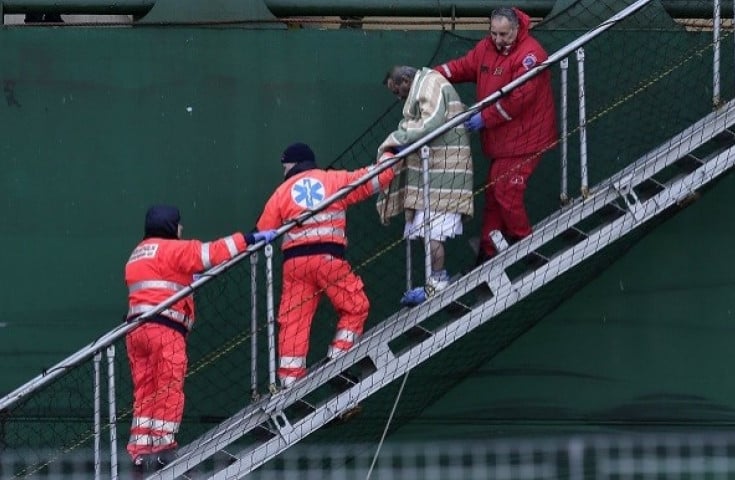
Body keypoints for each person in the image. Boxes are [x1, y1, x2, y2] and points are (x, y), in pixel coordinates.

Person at [124, 204, 276, 476]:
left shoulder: (138, 254)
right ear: (170, 226)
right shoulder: (175, 249)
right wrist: (250, 238)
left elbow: (163, 278)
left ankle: (140, 454)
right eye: (179, 224)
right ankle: (162, 450)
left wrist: (187, 276)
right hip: (165, 330)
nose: (182, 229)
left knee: (145, 393)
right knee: (168, 387)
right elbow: (212, 253)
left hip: (136, 333)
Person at [255, 142, 400, 389]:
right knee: (355, 307)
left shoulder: (280, 193)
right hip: (329, 260)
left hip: (295, 266)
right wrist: (390, 152)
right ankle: (338, 360)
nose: (283, 171)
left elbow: (260, 233)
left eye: (285, 166)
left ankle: (290, 381)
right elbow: (378, 178)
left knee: (293, 321)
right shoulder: (334, 179)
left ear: (292, 164)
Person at [435, 6, 557, 263]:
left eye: (504, 34)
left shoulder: (531, 55)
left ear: (516, 29)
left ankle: (526, 246)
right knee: (495, 194)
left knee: (505, 192)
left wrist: (484, 118)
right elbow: (463, 67)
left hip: (526, 138)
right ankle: (488, 251)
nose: (498, 39)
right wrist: (433, 75)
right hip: (503, 141)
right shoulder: (486, 48)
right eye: (494, 33)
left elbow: (519, 99)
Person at [378, 65, 473, 304]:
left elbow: (431, 123)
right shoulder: (419, 89)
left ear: (407, 79)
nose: (397, 96)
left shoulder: (429, 84)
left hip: (446, 172)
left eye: (397, 90)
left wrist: (397, 140)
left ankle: (438, 282)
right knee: (422, 230)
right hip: (434, 175)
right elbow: (413, 124)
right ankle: (435, 279)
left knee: (432, 232)